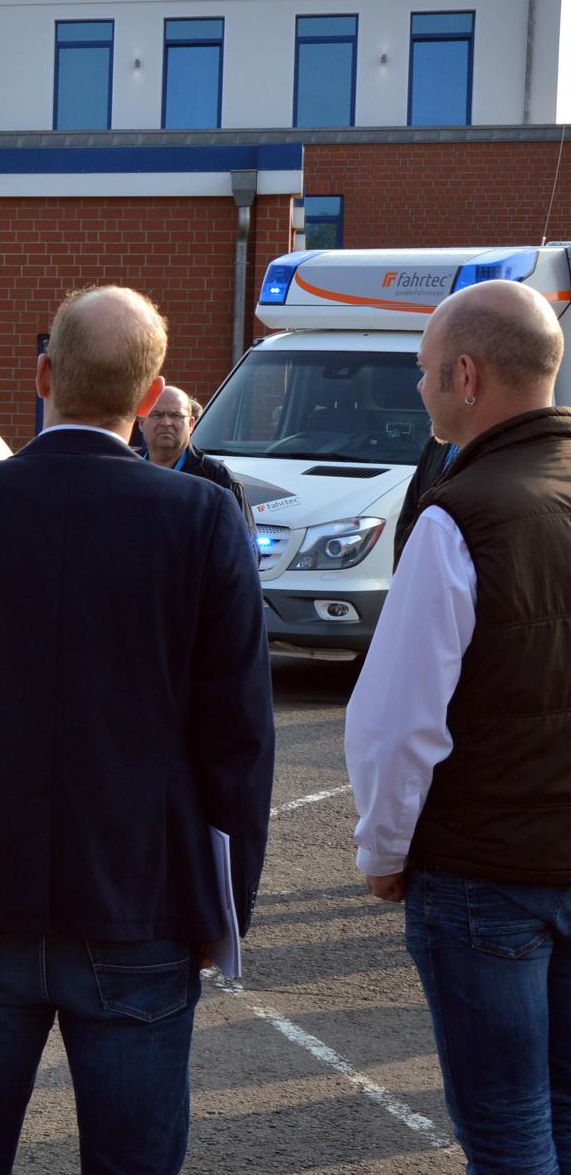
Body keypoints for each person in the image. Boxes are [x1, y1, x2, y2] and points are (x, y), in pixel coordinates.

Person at [0, 285, 275, 1174]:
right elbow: (239, 739)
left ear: (43, 376)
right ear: (151, 395)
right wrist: (224, 907)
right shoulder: (200, 517)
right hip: (141, 899)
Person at [343, 278, 571, 1171]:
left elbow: (397, 721)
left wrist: (383, 849)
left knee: (508, 1124)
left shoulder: (459, 516)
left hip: (484, 873)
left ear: (466, 376)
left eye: (425, 368)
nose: (420, 386)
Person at [139, 383, 250, 519]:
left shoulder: (219, 480)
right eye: (156, 414)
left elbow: (240, 532)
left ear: (191, 424)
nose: (166, 423)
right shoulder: (125, 472)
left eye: (176, 415)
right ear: (141, 423)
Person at [391, 433, 456, 566]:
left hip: (452, 569)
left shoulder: (492, 452)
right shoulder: (437, 443)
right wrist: (401, 565)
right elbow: (410, 512)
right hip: (422, 566)